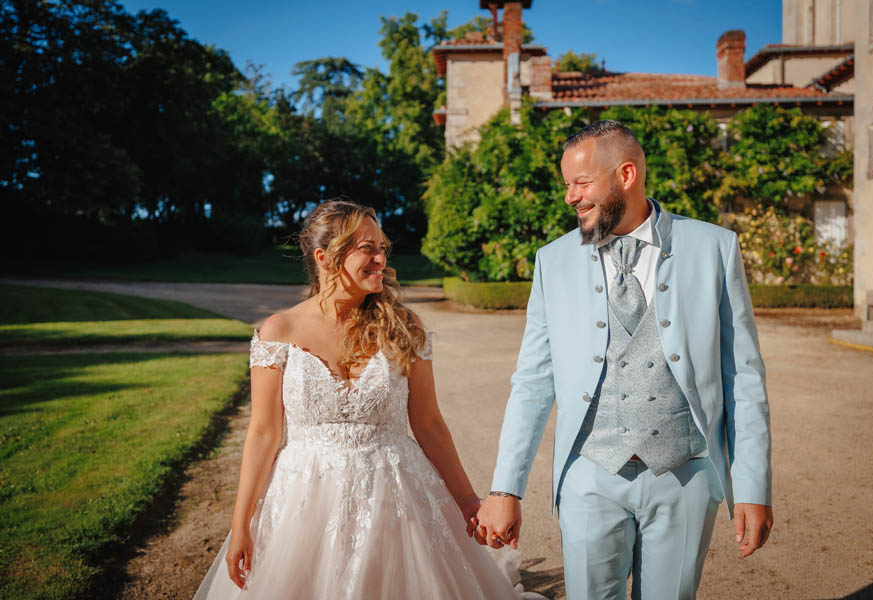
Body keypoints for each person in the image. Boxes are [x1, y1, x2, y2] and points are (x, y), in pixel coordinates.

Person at [475, 120, 773, 599]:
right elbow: (532, 381)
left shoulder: (714, 247)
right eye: (566, 184)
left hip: (685, 474)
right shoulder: (552, 261)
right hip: (589, 474)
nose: (570, 197)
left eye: (582, 183)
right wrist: (505, 489)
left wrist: (753, 487)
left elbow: (744, 377)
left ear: (626, 175)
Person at [193, 200, 541, 599]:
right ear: (325, 257)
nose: (381, 258)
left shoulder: (405, 328)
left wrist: (467, 502)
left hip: (397, 501)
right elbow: (263, 433)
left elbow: (428, 424)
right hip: (304, 503)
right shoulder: (279, 331)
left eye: (382, 247)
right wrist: (241, 526)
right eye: (367, 248)